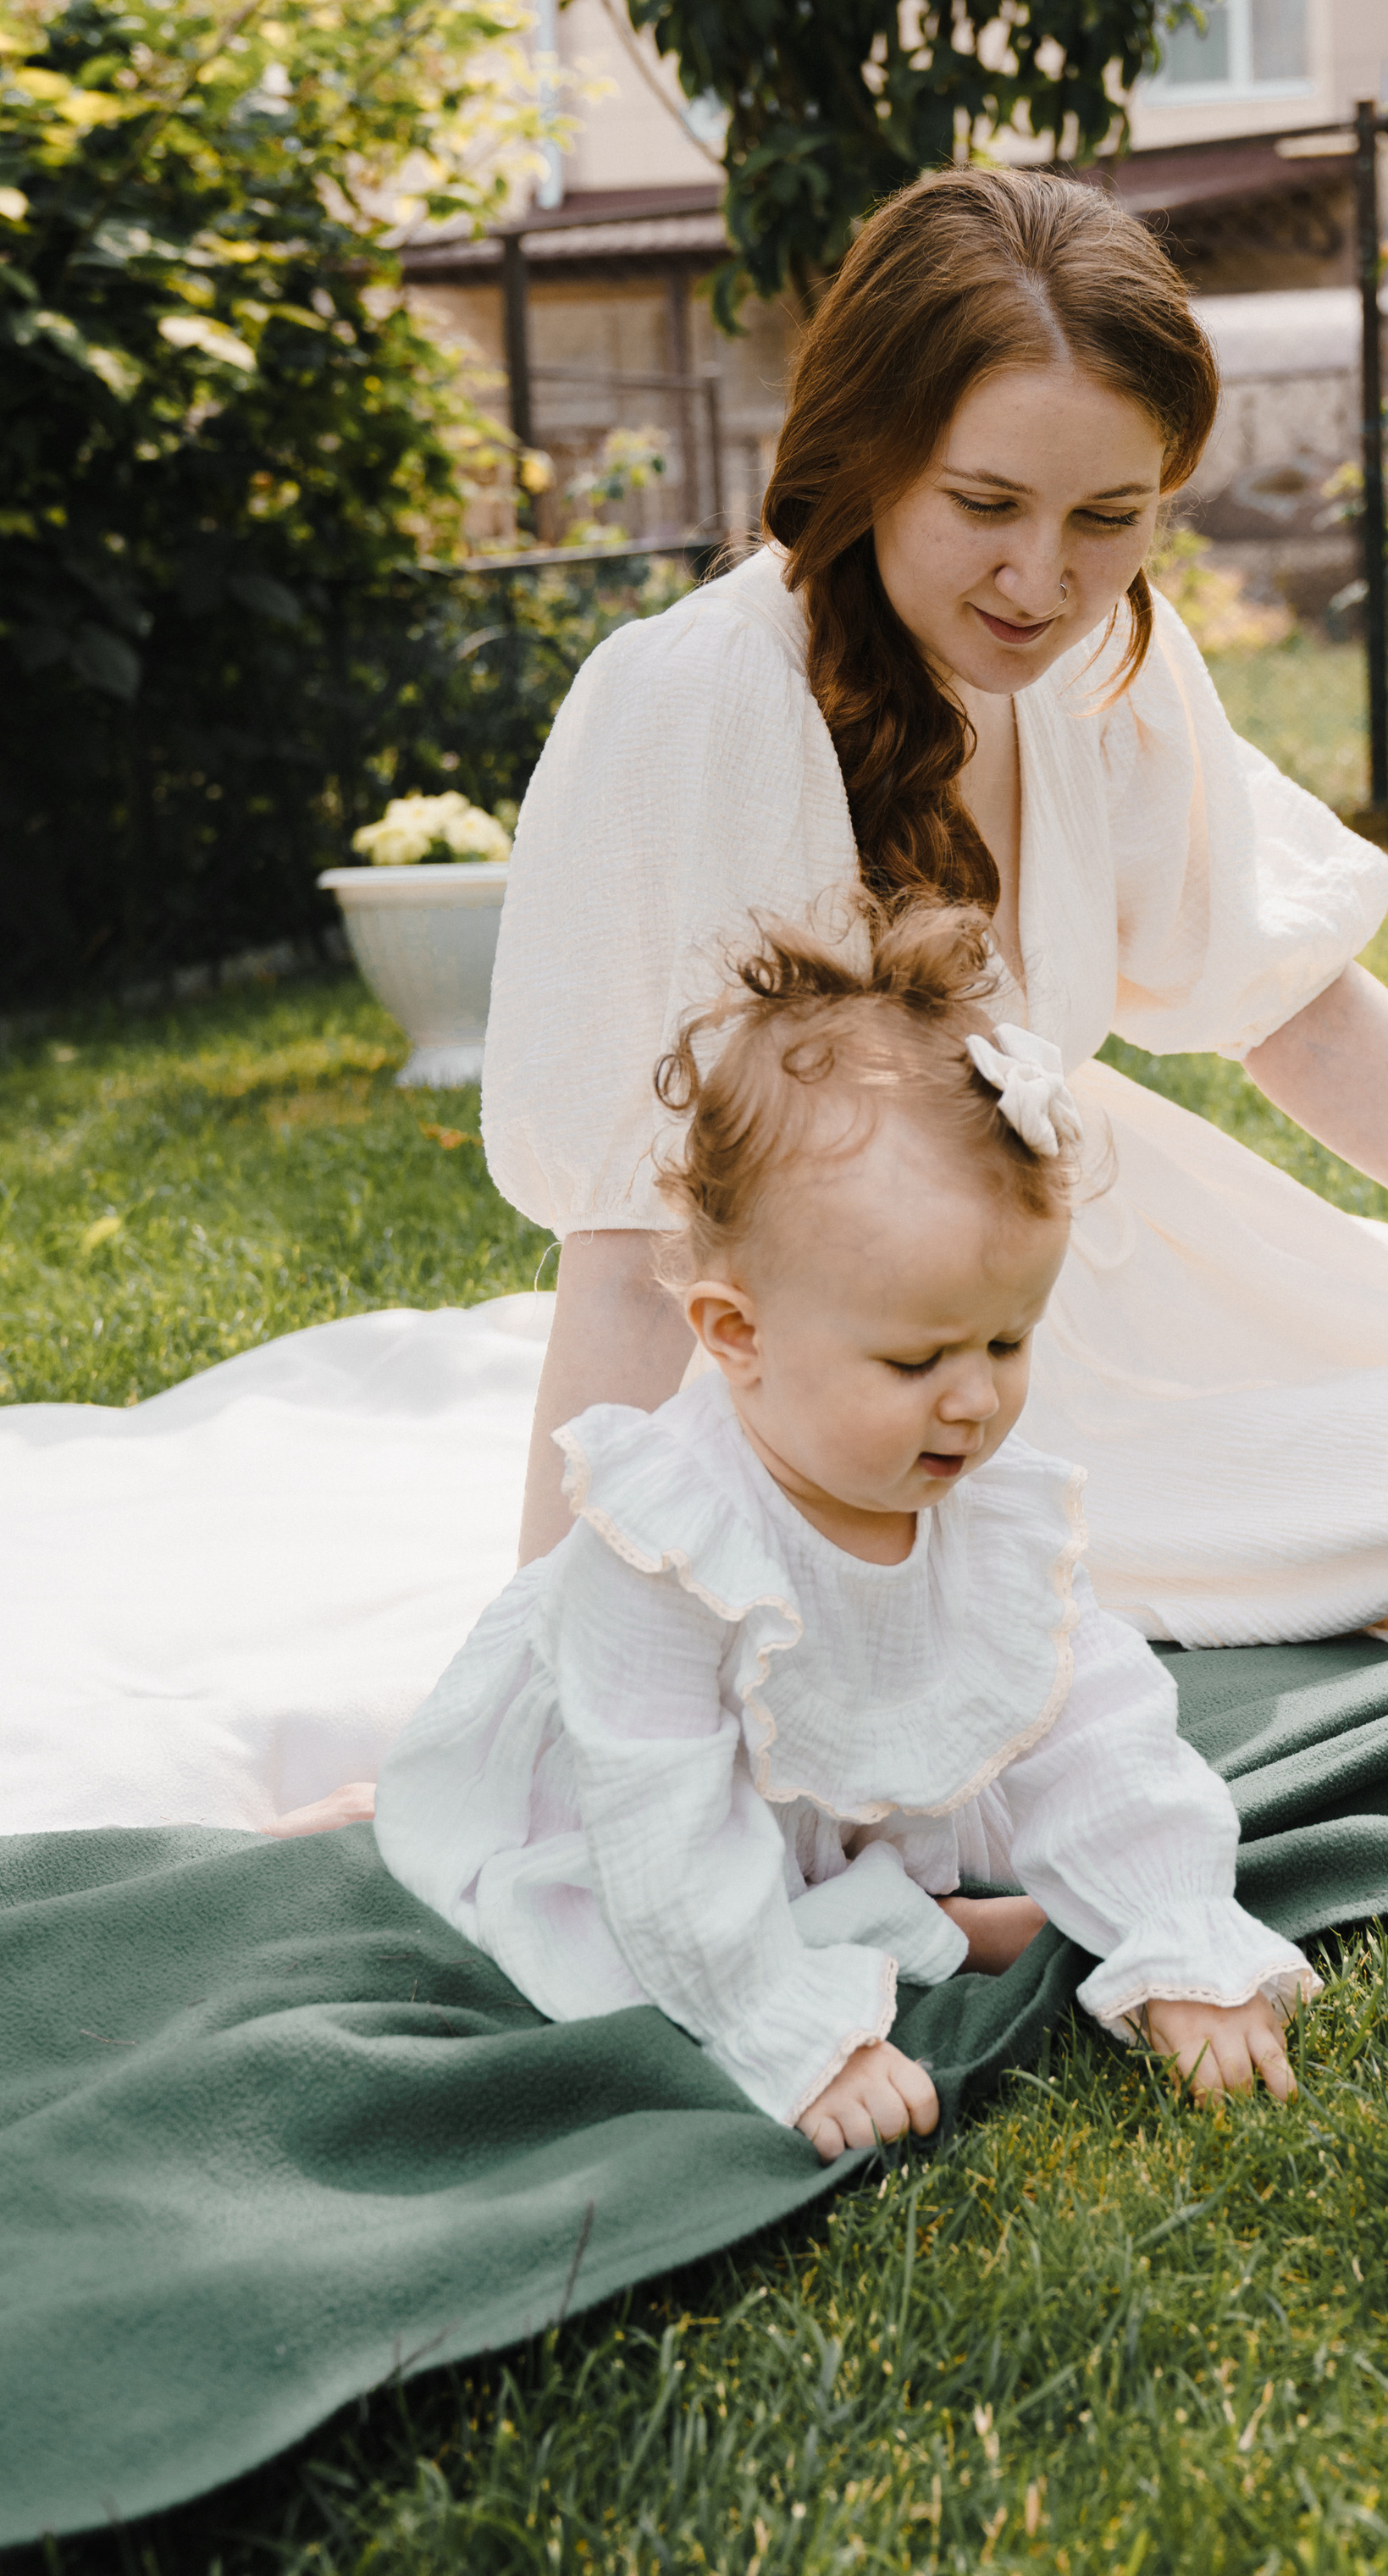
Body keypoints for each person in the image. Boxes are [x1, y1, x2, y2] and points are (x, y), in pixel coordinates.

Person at [486, 166, 1388, 1666]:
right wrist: (553, 1663)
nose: (1045, 578)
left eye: (1110, 516)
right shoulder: (701, 698)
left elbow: (1299, 1000)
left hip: (1118, 1291)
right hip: (878, 1401)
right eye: (986, 504)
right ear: (864, 455)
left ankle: (1225, 1597)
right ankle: (1067, 1611)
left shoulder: (1103, 670)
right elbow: (634, 1249)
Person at [374, 901, 1314, 2152]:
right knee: (596, 1935)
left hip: (834, 1774)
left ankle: (893, 1901)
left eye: (1007, 1339)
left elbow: (1087, 1716)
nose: (976, 1398)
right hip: (628, 1808)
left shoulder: (977, 1476)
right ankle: (902, 1935)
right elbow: (663, 1829)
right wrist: (792, 2035)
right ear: (737, 1336)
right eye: (918, 1356)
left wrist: (1178, 1931)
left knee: (999, 1743)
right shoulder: (666, 1544)